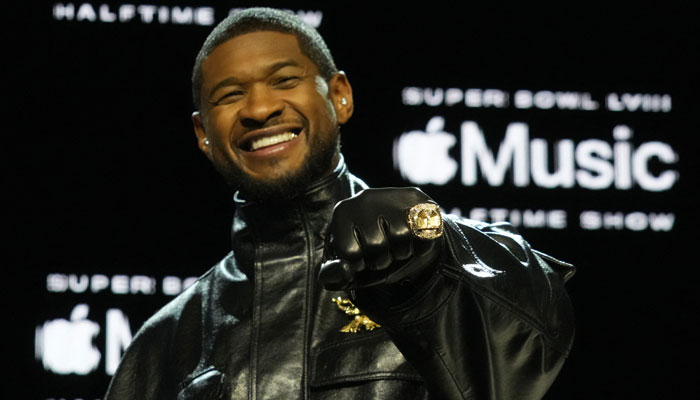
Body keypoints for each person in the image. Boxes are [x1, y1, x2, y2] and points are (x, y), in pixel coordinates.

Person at [105, 7, 575, 400]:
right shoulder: (163, 344)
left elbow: (537, 337)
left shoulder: (437, 253)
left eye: (284, 80)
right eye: (230, 96)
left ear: (340, 96)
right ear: (203, 134)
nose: (258, 108)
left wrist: (435, 256)